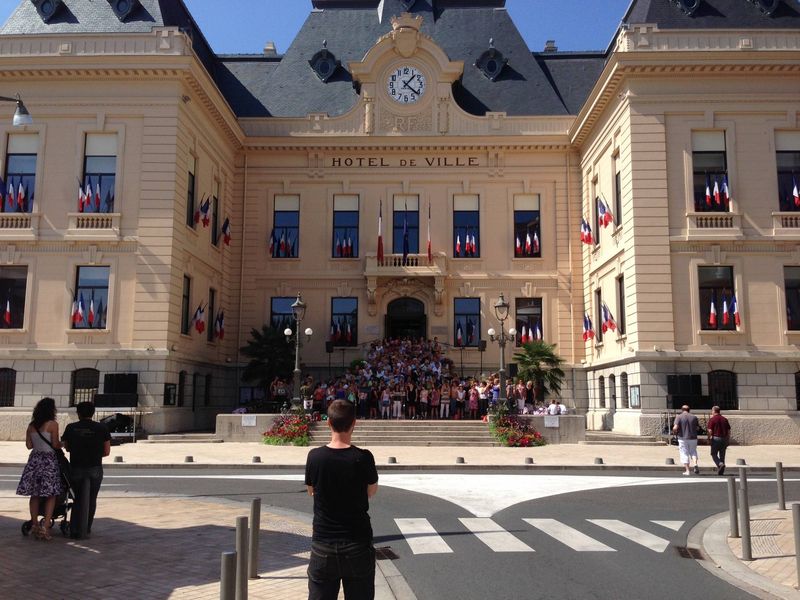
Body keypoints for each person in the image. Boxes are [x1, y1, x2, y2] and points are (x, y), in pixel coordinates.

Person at [305, 400, 379, 600]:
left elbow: (311, 490)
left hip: (323, 544)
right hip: (357, 543)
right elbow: (371, 491)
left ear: (328, 423)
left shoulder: (315, 457)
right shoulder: (363, 457)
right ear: (354, 423)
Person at [61, 401, 111, 538]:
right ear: (93, 413)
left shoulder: (71, 427)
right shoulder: (102, 428)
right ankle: (87, 527)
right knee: (92, 498)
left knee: (77, 498)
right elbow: (107, 451)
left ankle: (75, 528)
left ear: (78, 414)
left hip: (76, 467)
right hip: (95, 467)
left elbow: (67, 447)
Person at [16, 397, 63, 541]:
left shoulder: (31, 426)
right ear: (51, 410)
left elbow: (29, 446)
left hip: (34, 460)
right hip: (48, 461)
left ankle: (35, 524)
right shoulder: (53, 424)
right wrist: (63, 444)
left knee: (35, 494)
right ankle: (45, 527)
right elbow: (55, 444)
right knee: (51, 494)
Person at [673, 405, 700, 476]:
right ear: (689, 410)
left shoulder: (679, 417)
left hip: (682, 438)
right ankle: (695, 464)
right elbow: (697, 428)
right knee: (693, 451)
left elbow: (675, 428)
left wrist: (674, 432)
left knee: (684, 453)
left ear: (682, 410)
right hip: (693, 438)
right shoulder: (694, 417)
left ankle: (687, 471)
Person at [706, 405, 731, 476]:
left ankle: (720, 464)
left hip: (716, 438)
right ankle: (721, 470)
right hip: (724, 438)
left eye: (712, 411)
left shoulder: (712, 419)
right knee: (722, 455)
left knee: (713, 454)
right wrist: (728, 439)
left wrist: (708, 438)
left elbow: (710, 430)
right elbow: (729, 430)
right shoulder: (724, 419)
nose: (711, 412)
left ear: (714, 411)